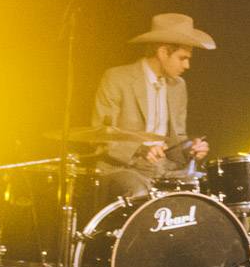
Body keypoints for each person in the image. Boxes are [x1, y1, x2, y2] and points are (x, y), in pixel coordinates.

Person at [91, 13, 213, 201]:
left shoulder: (178, 86)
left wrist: (191, 147)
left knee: (212, 190)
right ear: (163, 52)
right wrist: (141, 149)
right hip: (123, 169)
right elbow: (101, 134)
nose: (187, 65)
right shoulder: (117, 78)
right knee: (140, 192)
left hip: (164, 169)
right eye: (182, 58)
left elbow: (177, 139)